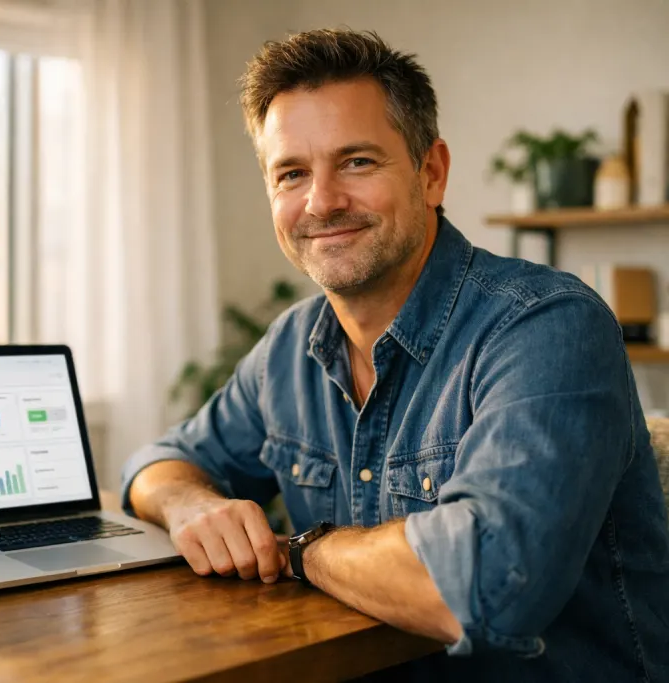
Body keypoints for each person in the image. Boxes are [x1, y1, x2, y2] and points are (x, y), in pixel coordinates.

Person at [121, 28, 669, 681]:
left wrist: (303, 549)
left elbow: (484, 582)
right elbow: (156, 464)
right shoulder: (290, 348)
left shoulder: (548, 326)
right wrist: (191, 505)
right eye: (291, 173)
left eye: (357, 161)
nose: (321, 202)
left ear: (431, 172)